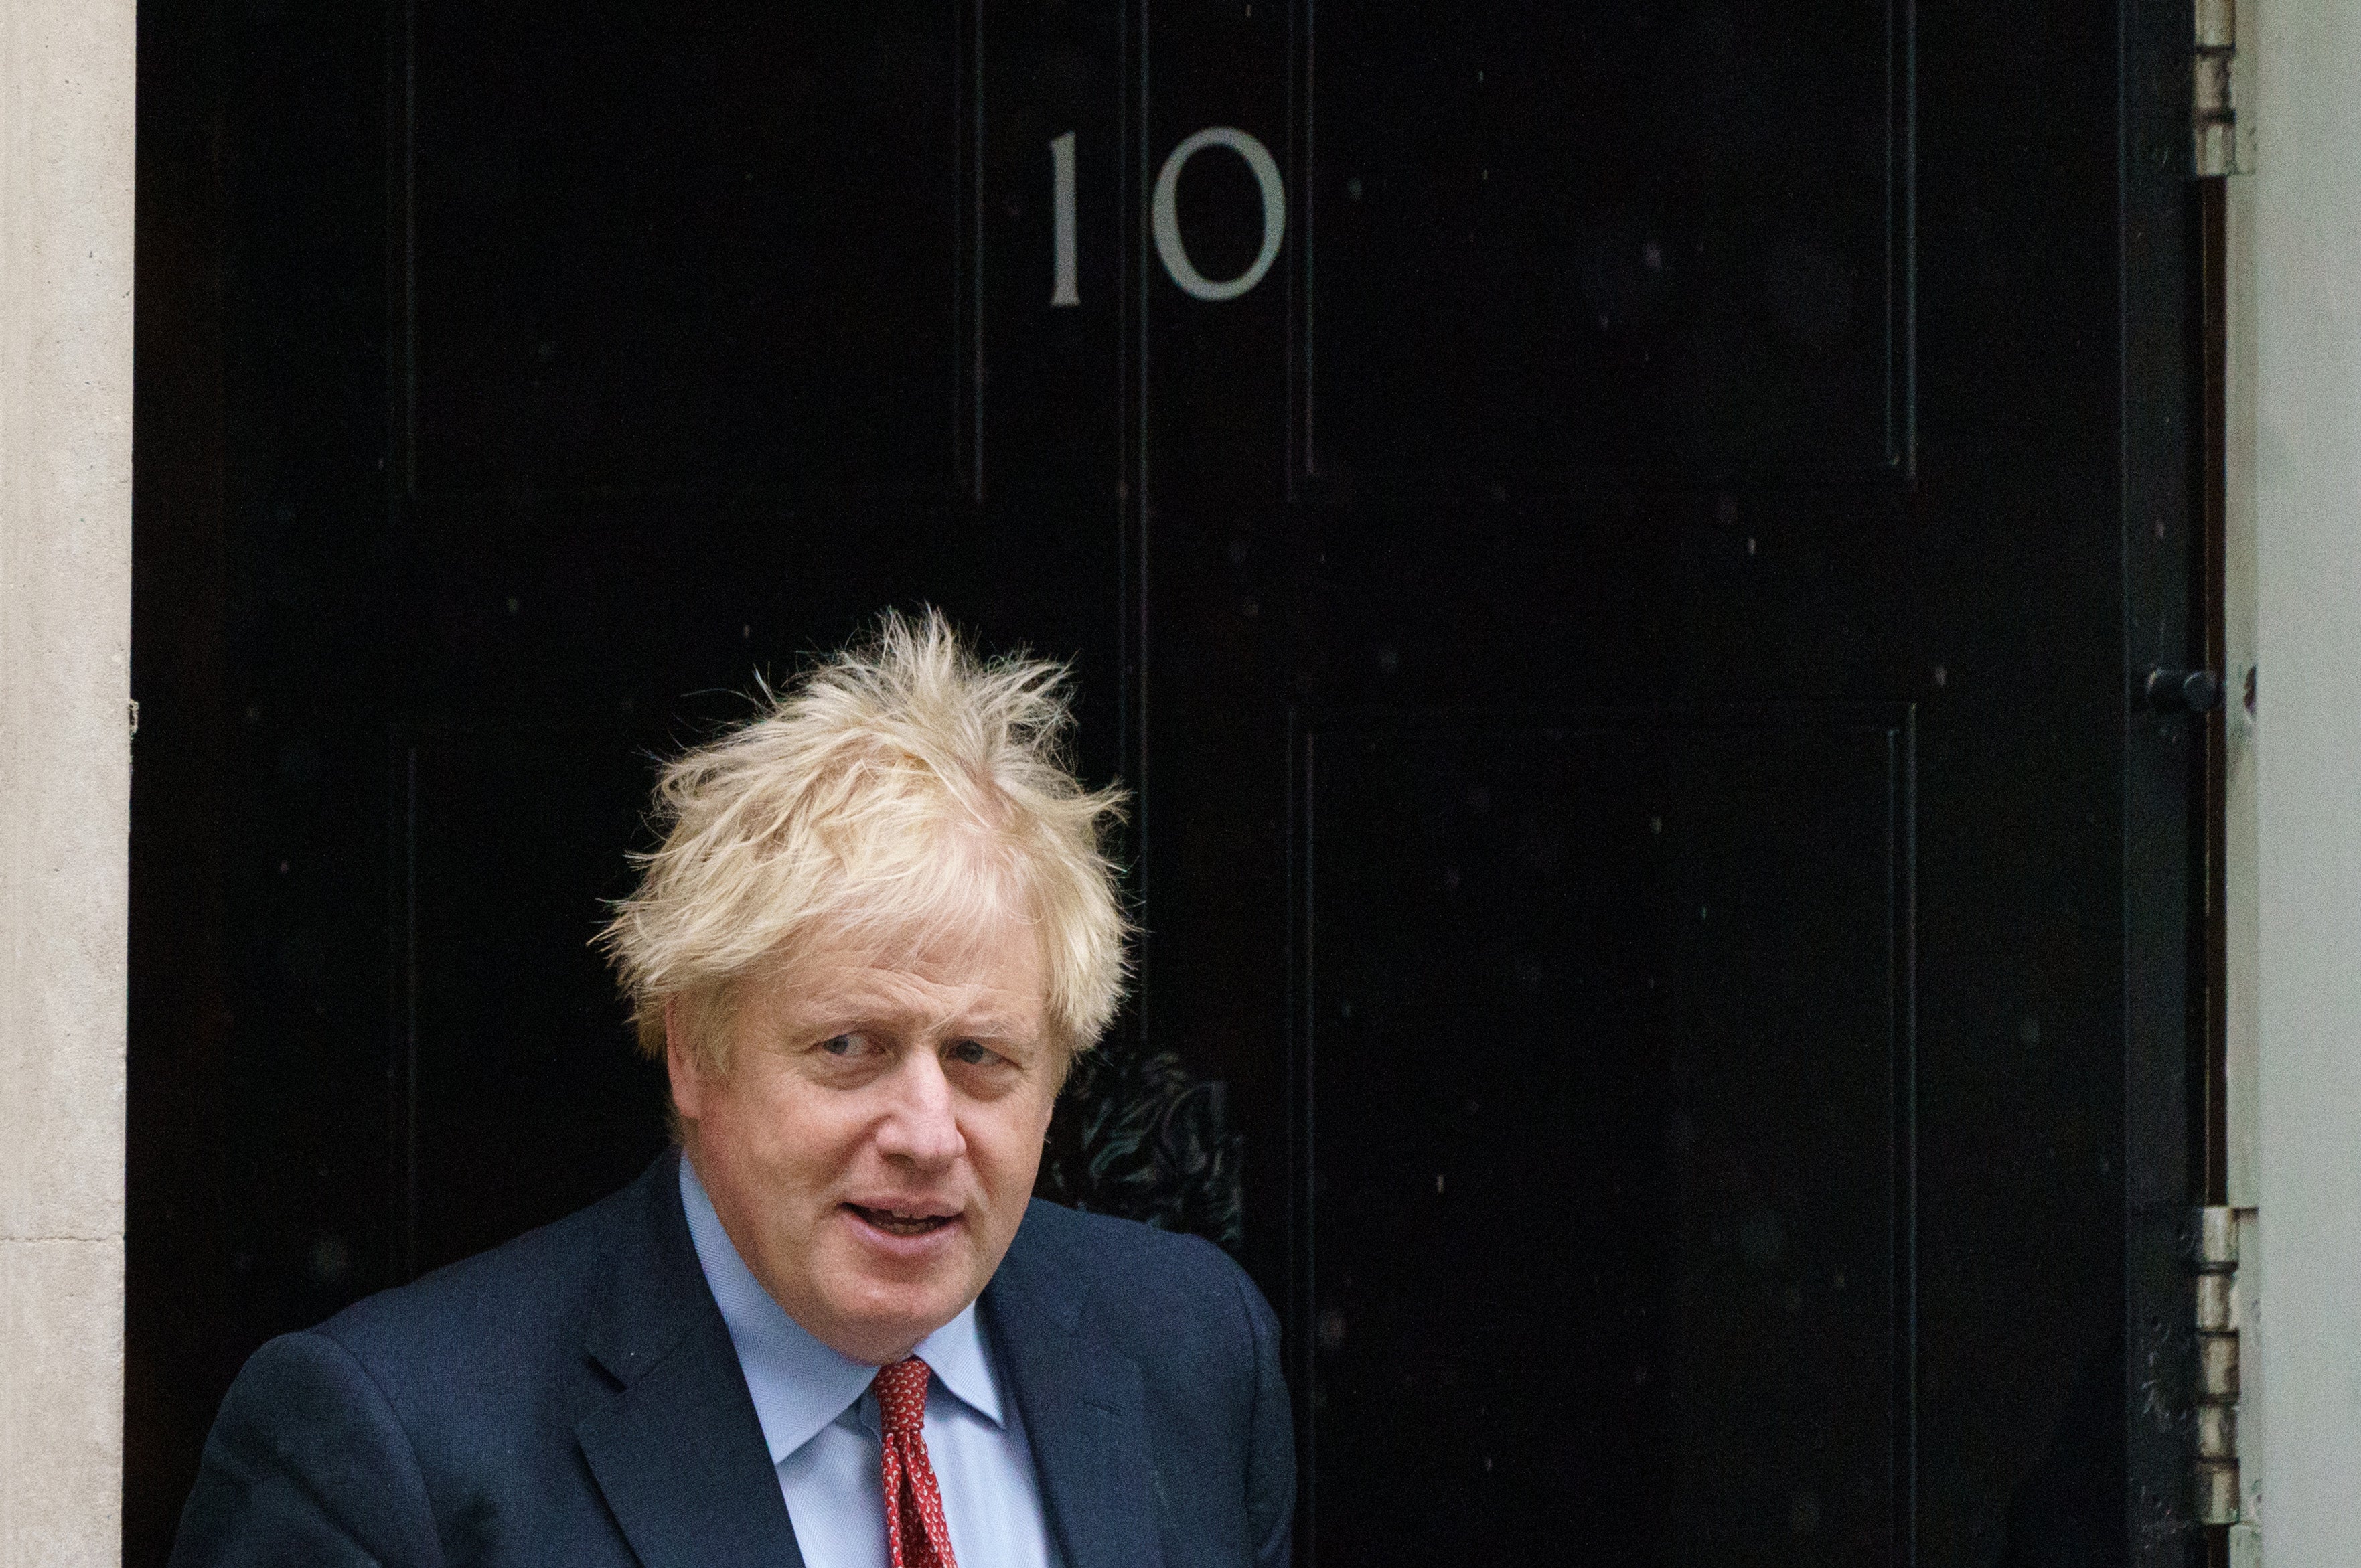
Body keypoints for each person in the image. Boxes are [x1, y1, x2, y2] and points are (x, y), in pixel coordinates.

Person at [169, 609, 1294, 1568]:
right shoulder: (390, 1449)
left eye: (978, 1056)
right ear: (693, 1053)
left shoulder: (1193, 1349)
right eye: (849, 1046)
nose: (924, 1132)